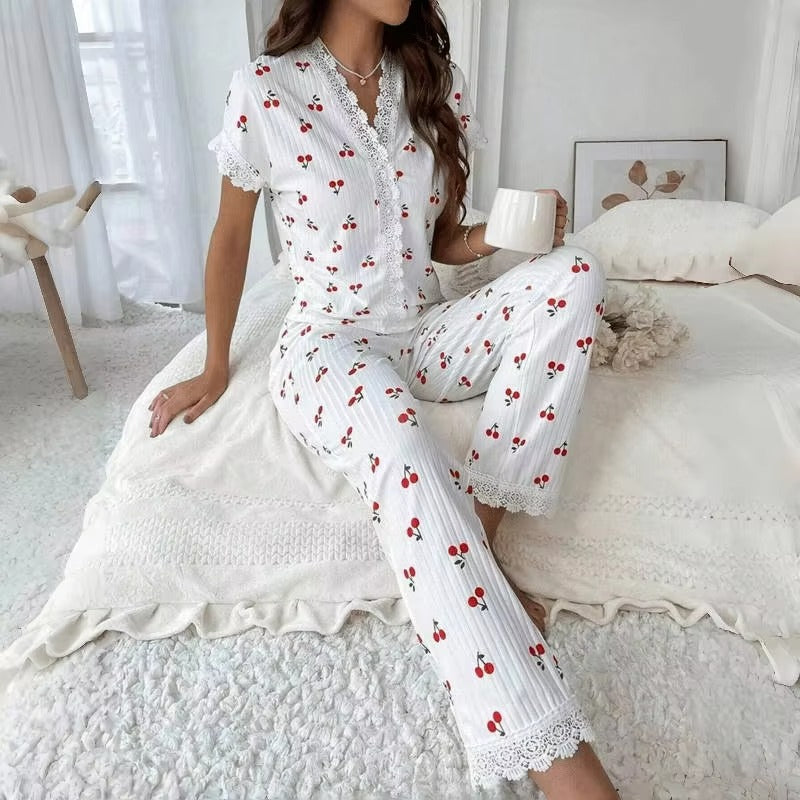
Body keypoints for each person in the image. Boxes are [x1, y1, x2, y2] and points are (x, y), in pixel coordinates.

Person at [147, 1, 618, 796]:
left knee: (576, 274)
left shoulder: (432, 81)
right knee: (400, 439)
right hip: (327, 344)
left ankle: (478, 543)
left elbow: (444, 243)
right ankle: (557, 760)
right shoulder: (266, 88)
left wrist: (508, 230)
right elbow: (230, 237)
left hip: (421, 331)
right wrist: (215, 363)